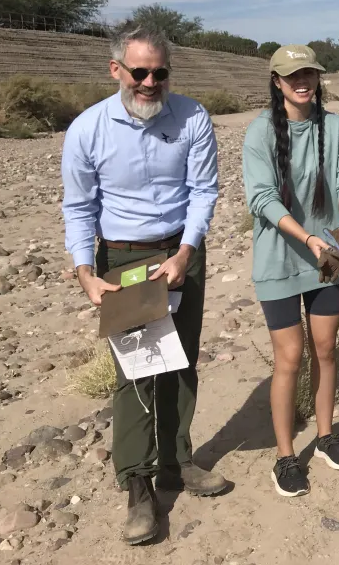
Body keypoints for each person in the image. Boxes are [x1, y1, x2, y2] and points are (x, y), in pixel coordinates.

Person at [60, 26, 226, 545]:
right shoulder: (88, 129)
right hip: (124, 261)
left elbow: (203, 190)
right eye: (140, 72)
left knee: (180, 362)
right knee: (134, 373)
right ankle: (137, 484)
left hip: (180, 254)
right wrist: (86, 272)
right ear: (117, 71)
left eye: (160, 72)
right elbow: (79, 207)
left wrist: (185, 251)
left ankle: (178, 462)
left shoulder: (193, 117)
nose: (150, 82)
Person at [242, 44, 339, 498]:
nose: (303, 81)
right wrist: (308, 238)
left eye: (309, 73)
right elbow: (262, 199)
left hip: (328, 256)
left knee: (327, 349)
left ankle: (327, 435)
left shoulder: (334, 126)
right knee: (289, 358)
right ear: (277, 83)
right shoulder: (259, 134)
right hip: (280, 259)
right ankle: (285, 456)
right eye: (293, 75)